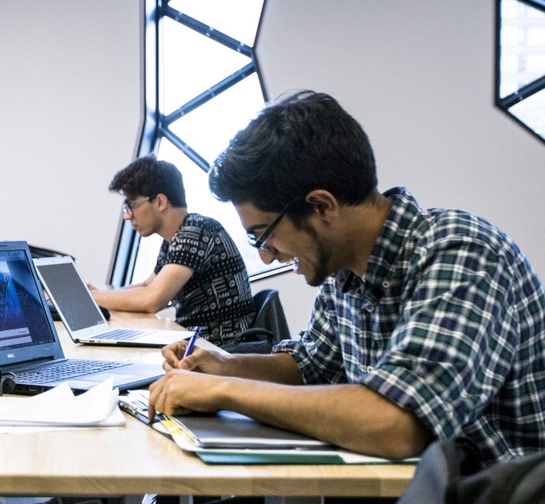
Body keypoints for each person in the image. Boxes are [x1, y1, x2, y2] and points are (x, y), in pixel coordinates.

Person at [148, 90, 545, 466]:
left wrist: (223, 391)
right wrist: (225, 365)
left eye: (264, 234)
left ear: (322, 206)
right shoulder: (344, 274)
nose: (267, 256)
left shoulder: (461, 253)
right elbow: (312, 367)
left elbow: (395, 425)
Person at [88, 155, 254, 348]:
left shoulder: (195, 230)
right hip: (201, 346)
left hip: (219, 350)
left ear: (160, 202)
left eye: (131, 205)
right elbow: (146, 286)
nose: (126, 215)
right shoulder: (174, 239)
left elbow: (152, 299)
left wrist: (93, 298)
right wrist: (96, 294)